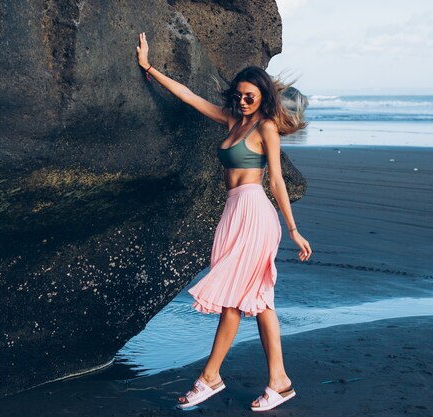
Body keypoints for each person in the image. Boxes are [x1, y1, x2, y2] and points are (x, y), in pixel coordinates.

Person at [135, 32, 312, 412]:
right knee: (260, 300)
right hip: (232, 213)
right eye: (241, 95)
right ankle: (279, 381)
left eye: (252, 96)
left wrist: (294, 229)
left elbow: (277, 181)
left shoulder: (265, 128)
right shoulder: (232, 119)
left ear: (264, 96)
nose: (245, 101)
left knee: (233, 297)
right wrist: (149, 67)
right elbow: (189, 97)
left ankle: (210, 377)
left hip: (255, 214)